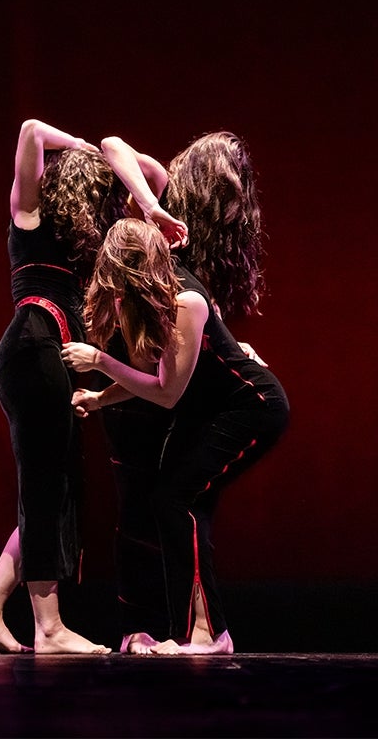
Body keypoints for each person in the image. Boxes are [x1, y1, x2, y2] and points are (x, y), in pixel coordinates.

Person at [0, 119, 188, 654]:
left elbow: (152, 177)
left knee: (58, 486)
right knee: (47, 486)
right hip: (32, 350)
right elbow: (30, 130)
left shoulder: (73, 237)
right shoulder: (32, 218)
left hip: (40, 358)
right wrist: (92, 148)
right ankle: (47, 628)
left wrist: (145, 200)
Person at [63, 136, 290, 655]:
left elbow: (166, 388)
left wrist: (99, 366)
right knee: (165, 505)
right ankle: (183, 630)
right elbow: (112, 144)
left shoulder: (182, 290)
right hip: (196, 398)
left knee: (174, 500)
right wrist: (98, 399)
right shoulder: (156, 257)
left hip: (232, 404)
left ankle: (208, 634)